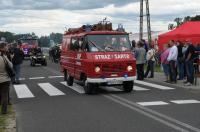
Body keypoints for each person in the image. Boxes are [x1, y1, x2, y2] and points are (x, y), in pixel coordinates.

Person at [0, 42, 13, 114]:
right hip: (5, 78)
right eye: (6, 47)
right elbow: (10, 66)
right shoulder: (3, 57)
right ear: (3, 47)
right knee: (4, 95)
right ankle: (4, 111)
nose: (7, 48)